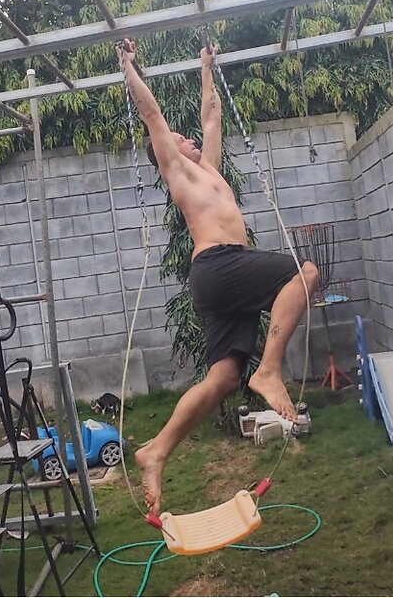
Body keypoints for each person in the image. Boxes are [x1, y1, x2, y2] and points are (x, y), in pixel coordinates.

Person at [118, 39, 319, 516]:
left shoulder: (208, 167)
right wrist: (129, 65)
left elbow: (212, 116)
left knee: (225, 377)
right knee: (304, 272)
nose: (189, 138)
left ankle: (157, 450)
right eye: (180, 139)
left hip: (222, 277)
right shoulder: (178, 172)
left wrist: (206, 68)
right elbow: (152, 116)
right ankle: (268, 370)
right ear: (167, 152)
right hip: (218, 265)